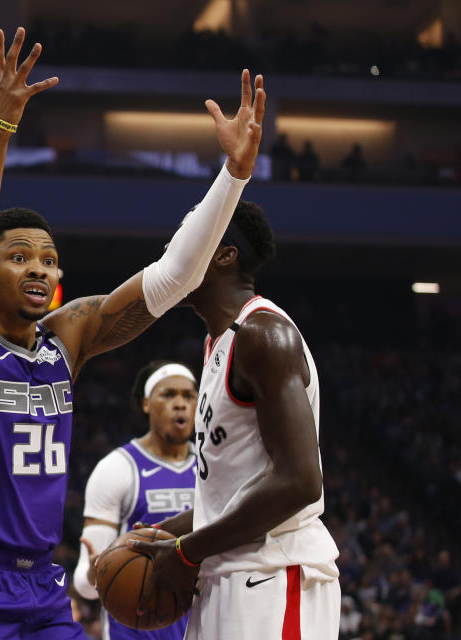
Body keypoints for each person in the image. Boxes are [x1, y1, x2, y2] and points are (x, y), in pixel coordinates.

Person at [0, 25, 265, 640]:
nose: (38, 268)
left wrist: (231, 177)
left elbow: (171, 280)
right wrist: (0, 128)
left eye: (47, 259)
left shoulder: (66, 338)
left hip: (42, 586)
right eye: (18, 257)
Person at [129, 201, 340, 639]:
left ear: (226, 254)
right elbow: (233, 493)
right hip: (227, 572)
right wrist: (164, 534)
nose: (173, 251)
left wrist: (186, 553)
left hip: (274, 575)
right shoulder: (218, 343)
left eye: (188, 239)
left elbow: (301, 481)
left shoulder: (263, 336)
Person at [73, 361, 198, 640]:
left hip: (202, 623)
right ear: (145, 403)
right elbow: (83, 582)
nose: (180, 404)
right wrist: (97, 573)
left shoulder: (213, 465)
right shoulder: (117, 468)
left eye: (188, 396)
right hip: (133, 629)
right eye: (169, 395)